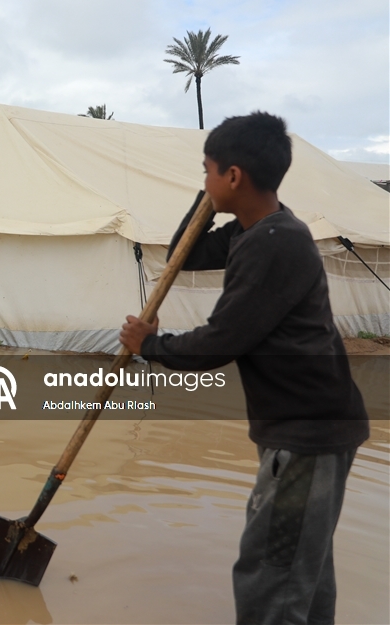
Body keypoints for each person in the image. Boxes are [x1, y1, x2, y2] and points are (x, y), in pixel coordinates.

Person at [119, 112, 369, 625]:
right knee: (303, 572)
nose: (204, 183)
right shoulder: (256, 232)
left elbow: (221, 340)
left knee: (271, 580)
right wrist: (207, 200)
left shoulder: (275, 243)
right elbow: (182, 255)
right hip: (315, 430)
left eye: (207, 171)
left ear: (233, 176)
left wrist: (152, 346)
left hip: (304, 437)